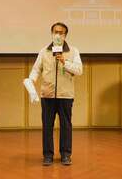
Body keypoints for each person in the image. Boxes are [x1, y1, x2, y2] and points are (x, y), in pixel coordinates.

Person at [26, 22, 82, 166]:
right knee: (47, 126)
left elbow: (79, 70)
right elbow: (36, 69)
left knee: (66, 126)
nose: (58, 35)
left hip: (66, 95)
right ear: (52, 33)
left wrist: (65, 61)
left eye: (61, 32)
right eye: (55, 32)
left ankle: (65, 155)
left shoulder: (73, 51)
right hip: (47, 95)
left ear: (65, 35)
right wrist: (31, 80)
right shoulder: (44, 51)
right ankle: (48, 155)